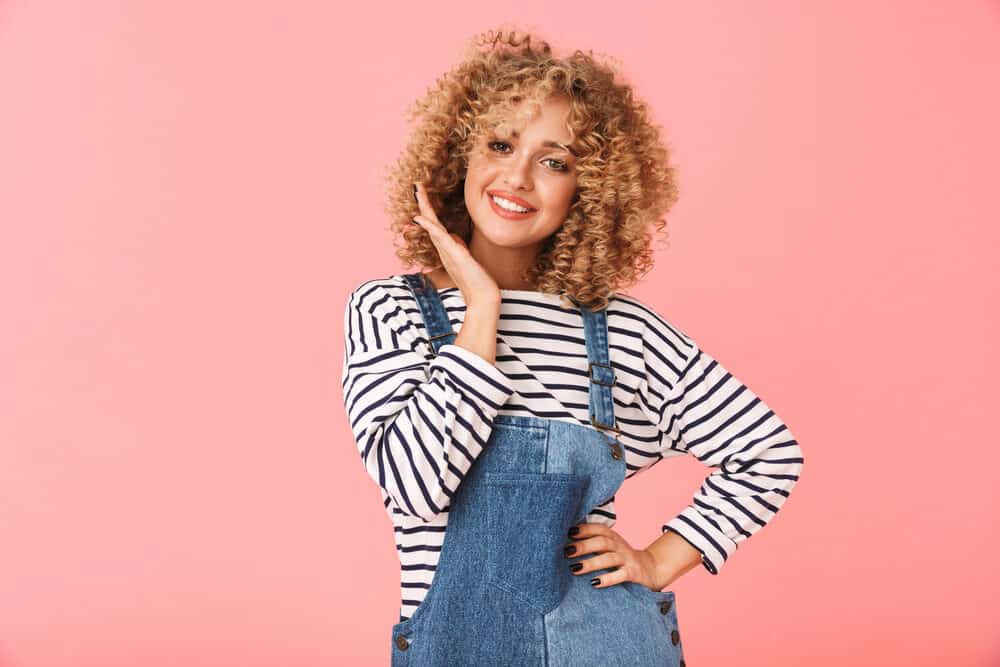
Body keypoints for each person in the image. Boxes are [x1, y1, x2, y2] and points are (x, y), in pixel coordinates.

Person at [341, 27, 804, 665]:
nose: (519, 176)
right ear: (458, 156)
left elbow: (768, 454)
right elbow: (418, 489)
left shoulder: (622, 331)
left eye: (554, 161)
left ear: (589, 191)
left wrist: (659, 558)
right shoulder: (391, 311)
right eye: (500, 144)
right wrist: (482, 313)